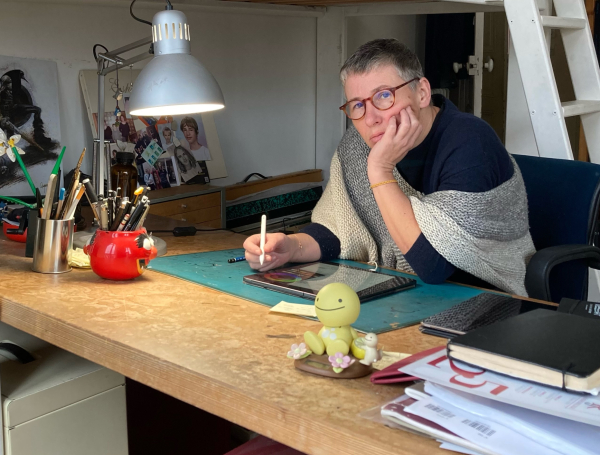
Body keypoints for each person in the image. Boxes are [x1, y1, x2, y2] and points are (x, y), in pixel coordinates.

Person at [243, 39, 536, 297]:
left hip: (487, 301)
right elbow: (341, 228)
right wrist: (291, 247)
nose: (370, 118)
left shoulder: (470, 141)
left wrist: (381, 171)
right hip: (404, 295)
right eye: (357, 105)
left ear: (422, 93)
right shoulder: (358, 147)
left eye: (383, 96)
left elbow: (434, 267)